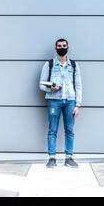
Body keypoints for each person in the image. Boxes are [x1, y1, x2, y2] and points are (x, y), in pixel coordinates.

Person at [39, 38, 82, 168]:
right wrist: (50, 88)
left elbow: (78, 85)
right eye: (59, 46)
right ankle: (52, 158)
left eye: (64, 45)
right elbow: (41, 84)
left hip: (70, 101)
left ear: (68, 47)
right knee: (52, 130)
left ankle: (69, 158)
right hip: (54, 101)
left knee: (69, 130)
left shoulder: (74, 65)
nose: (61, 47)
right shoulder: (49, 64)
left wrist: (78, 105)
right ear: (55, 48)